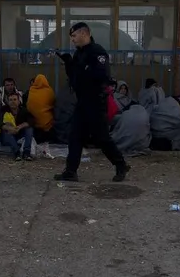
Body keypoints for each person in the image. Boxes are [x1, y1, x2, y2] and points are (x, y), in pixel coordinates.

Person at [51, 22, 128, 182]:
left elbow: (101, 76)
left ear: (84, 34)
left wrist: (81, 68)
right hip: (82, 101)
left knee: (101, 137)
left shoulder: (97, 52)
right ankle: (71, 171)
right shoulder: (78, 54)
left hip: (95, 101)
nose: (72, 40)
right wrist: (68, 63)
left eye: (74, 36)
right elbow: (75, 79)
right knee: (75, 136)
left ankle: (120, 164)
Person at [0, 93, 37, 160]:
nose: (13, 102)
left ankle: (26, 153)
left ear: (19, 101)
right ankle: (17, 153)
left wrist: (19, 127)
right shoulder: (3, 110)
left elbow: (32, 121)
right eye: (10, 100)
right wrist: (9, 128)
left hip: (19, 134)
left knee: (29, 129)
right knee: (5, 132)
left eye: (15, 100)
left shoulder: (23, 110)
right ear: (8, 102)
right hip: (8, 135)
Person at [26, 75, 56, 154]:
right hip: (47, 125)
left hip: (34, 124)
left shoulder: (32, 90)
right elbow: (53, 104)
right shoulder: (49, 91)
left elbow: (29, 106)